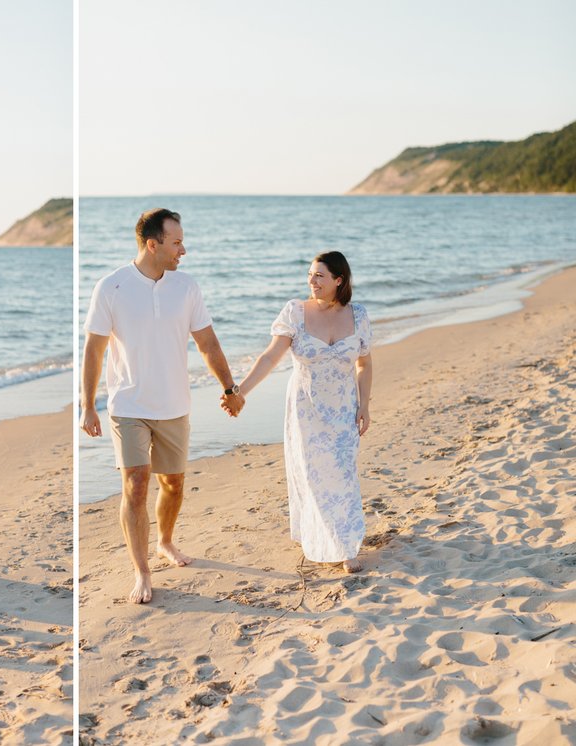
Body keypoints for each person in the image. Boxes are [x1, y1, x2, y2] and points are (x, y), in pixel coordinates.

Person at [81, 208, 244, 604]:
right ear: (152, 245)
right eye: (176, 243)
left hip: (174, 403)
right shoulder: (111, 287)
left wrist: (229, 388)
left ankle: (165, 541)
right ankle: (141, 571)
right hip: (129, 404)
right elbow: (94, 350)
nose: (183, 250)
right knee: (135, 484)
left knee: (172, 483)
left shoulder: (186, 287)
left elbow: (207, 342)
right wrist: (88, 405)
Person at [231, 251, 372, 573]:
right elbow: (270, 357)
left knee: (342, 473)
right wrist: (240, 392)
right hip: (306, 408)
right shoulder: (295, 312)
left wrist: (365, 404)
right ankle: (326, 539)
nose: (312, 280)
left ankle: (346, 545)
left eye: (320, 275)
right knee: (312, 474)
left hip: (343, 407)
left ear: (339, 280)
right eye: (310, 274)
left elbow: (364, 363)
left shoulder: (359, 315)